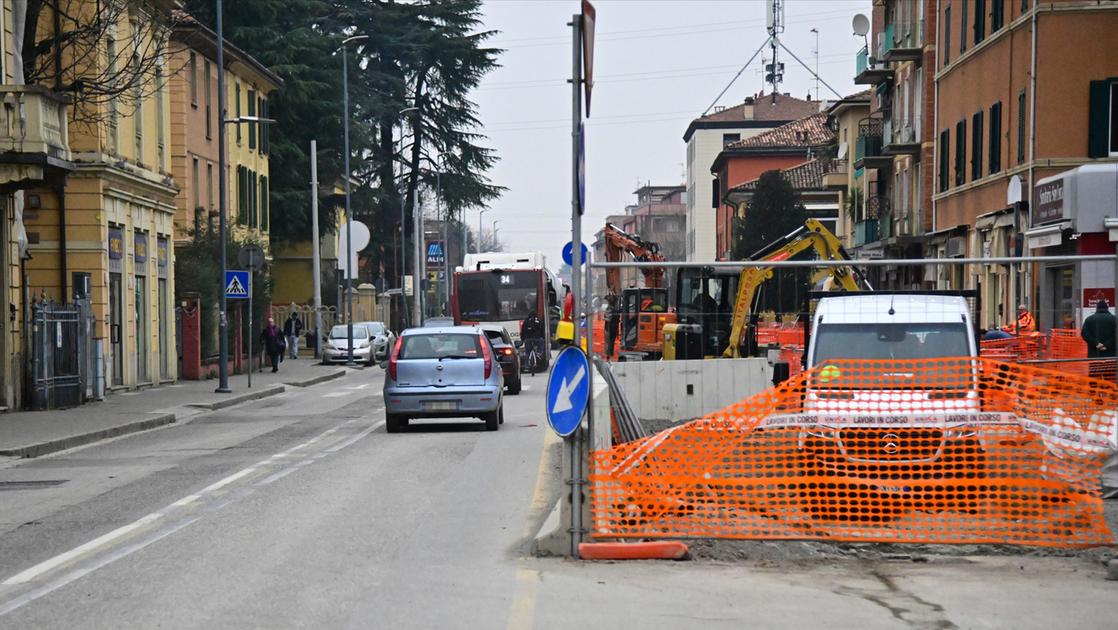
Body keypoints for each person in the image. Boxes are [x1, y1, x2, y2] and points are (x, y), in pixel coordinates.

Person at [1081, 299, 1117, 380]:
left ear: (1097, 308)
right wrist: (1107, 345)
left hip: (1094, 355)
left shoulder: (1089, 319)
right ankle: (1110, 391)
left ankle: (1093, 391)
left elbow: (1084, 334)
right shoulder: (1115, 319)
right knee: (1110, 378)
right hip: (1111, 355)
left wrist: (1097, 344)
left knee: (1094, 377)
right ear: (1107, 308)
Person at [604, 294, 620, 359]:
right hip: (612, 326)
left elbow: (608, 318)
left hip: (611, 327)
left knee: (609, 340)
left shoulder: (611, 308)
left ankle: (609, 353)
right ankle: (609, 353)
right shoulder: (613, 309)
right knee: (610, 340)